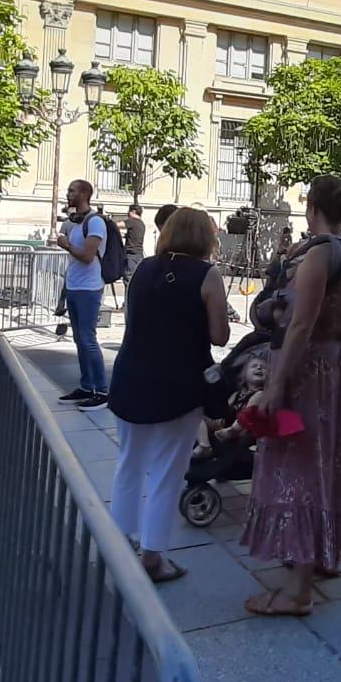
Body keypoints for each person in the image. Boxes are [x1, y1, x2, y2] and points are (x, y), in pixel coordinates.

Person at [241, 174, 341, 616]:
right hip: (335, 366)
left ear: (312, 206)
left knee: (301, 465)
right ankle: (321, 553)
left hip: (308, 370)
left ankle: (297, 591)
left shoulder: (319, 253)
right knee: (327, 460)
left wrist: (274, 385)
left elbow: (300, 324)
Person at [108, 206, 230, 584]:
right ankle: (153, 557)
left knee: (129, 463)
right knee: (166, 472)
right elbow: (220, 336)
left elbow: (134, 320)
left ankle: (118, 546)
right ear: (205, 237)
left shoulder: (144, 268)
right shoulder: (207, 275)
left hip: (130, 377)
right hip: (178, 383)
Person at [52, 179, 111, 407]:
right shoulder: (73, 222)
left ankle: (102, 391)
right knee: (79, 339)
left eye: (72, 190)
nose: (68, 194)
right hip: (75, 286)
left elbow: (87, 256)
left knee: (87, 339)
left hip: (89, 287)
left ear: (85, 194)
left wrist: (66, 245)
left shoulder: (95, 222)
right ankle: (87, 386)